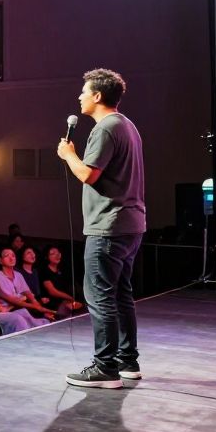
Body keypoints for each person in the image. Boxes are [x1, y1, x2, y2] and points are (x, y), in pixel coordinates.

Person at [58, 68, 146, 388]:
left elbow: (88, 175)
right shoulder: (128, 126)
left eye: (84, 91)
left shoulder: (106, 128)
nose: (79, 96)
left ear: (97, 96)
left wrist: (69, 155)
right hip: (131, 225)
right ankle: (127, 361)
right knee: (121, 295)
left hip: (108, 226)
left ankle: (105, 368)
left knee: (100, 297)